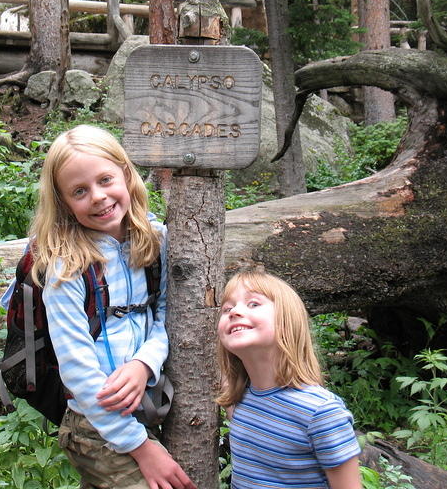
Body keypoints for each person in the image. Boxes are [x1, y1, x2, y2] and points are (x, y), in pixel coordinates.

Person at [25, 124, 194, 489]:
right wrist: (141, 448)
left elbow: (165, 314)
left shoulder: (155, 240)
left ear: (126, 174)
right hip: (93, 423)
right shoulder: (65, 265)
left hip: (146, 405)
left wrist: (143, 363)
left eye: (105, 180)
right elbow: (78, 372)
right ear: (64, 202)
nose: (98, 197)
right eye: (80, 191)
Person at [217, 270, 362, 489]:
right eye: (227, 308)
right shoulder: (241, 401)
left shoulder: (321, 412)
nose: (235, 311)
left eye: (253, 304)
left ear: (288, 321)